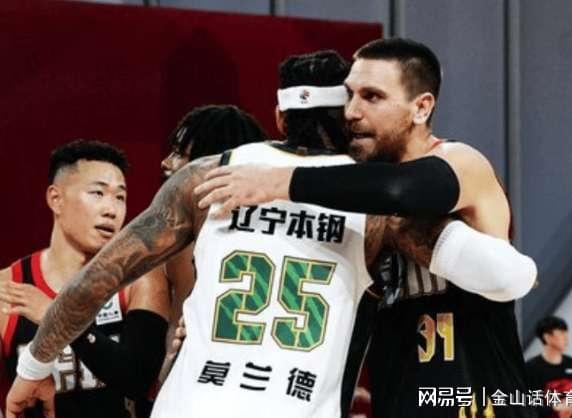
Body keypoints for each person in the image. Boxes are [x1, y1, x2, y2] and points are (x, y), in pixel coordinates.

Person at [6, 49, 536, 418]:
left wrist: (32, 366)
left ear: (279, 115)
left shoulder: (208, 177)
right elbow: (511, 277)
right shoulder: (373, 210)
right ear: (344, 115)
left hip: (193, 404)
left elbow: (93, 282)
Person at [193, 37, 538, 417]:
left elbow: (401, 191)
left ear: (421, 107)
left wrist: (278, 181)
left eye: (372, 97)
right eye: (348, 96)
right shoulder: (350, 190)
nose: (352, 112)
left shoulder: (460, 161)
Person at [0, 140, 169, 418]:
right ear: (56, 199)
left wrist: (57, 318)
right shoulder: (9, 286)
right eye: (97, 193)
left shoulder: (140, 279)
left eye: (120, 197)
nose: (111, 209)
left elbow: (137, 380)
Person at [155, 105, 267, 383]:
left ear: (209, 163)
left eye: (179, 153)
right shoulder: (266, 232)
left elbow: (177, 335)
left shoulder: (190, 240)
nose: (166, 162)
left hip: (200, 382)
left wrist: (164, 383)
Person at [526, 316, 572, 418]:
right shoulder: (531, 367)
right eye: (561, 333)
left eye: (566, 333)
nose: (566, 338)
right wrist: (556, 407)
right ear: (547, 337)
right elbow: (529, 402)